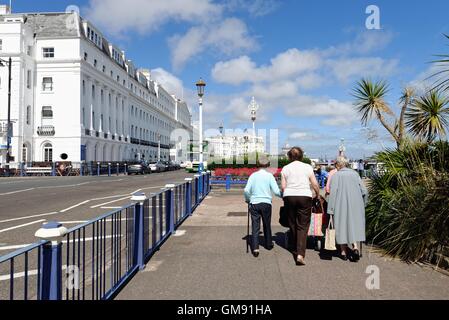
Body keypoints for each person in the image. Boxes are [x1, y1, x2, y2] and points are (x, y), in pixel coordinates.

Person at [281, 147, 320, 266]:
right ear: (302, 156)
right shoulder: (307, 167)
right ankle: (300, 254)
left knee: (292, 222)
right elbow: (314, 184)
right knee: (303, 225)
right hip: (304, 196)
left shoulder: (285, 168)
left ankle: (295, 245)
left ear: (289, 156)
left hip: (290, 196)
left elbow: (283, 187)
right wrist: (317, 195)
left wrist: (286, 195)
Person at [328, 157, 368, 262]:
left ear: (337, 165)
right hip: (356, 204)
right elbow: (364, 191)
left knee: (341, 226)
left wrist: (330, 209)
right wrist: (363, 204)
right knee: (353, 225)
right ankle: (355, 247)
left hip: (340, 204)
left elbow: (333, 194)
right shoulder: (355, 174)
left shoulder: (336, 175)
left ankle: (343, 252)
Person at [244, 158, 282, 257]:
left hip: (254, 203)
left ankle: (255, 248)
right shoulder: (269, 176)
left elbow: (246, 190)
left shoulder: (253, 175)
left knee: (255, 226)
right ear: (268, 165)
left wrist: (248, 199)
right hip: (266, 203)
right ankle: (268, 244)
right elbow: (276, 191)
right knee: (266, 224)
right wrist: (284, 195)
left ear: (257, 165)